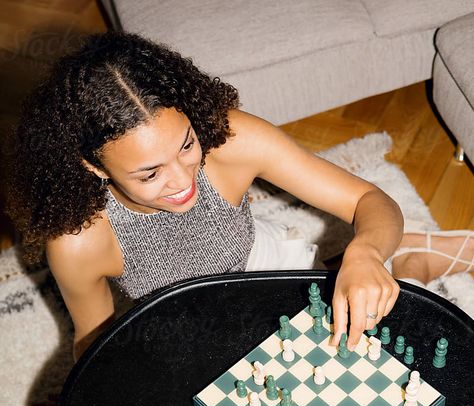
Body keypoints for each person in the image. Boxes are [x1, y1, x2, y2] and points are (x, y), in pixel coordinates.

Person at [6, 31, 473, 361]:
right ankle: (408, 262)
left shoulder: (232, 142)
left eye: (186, 144)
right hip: (186, 323)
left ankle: (402, 257)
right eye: (149, 173)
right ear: (93, 166)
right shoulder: (78, 242)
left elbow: (368, 201)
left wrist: (367, 251)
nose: (182, 180)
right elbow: (94, 338)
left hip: (266, 269)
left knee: (371, 366)